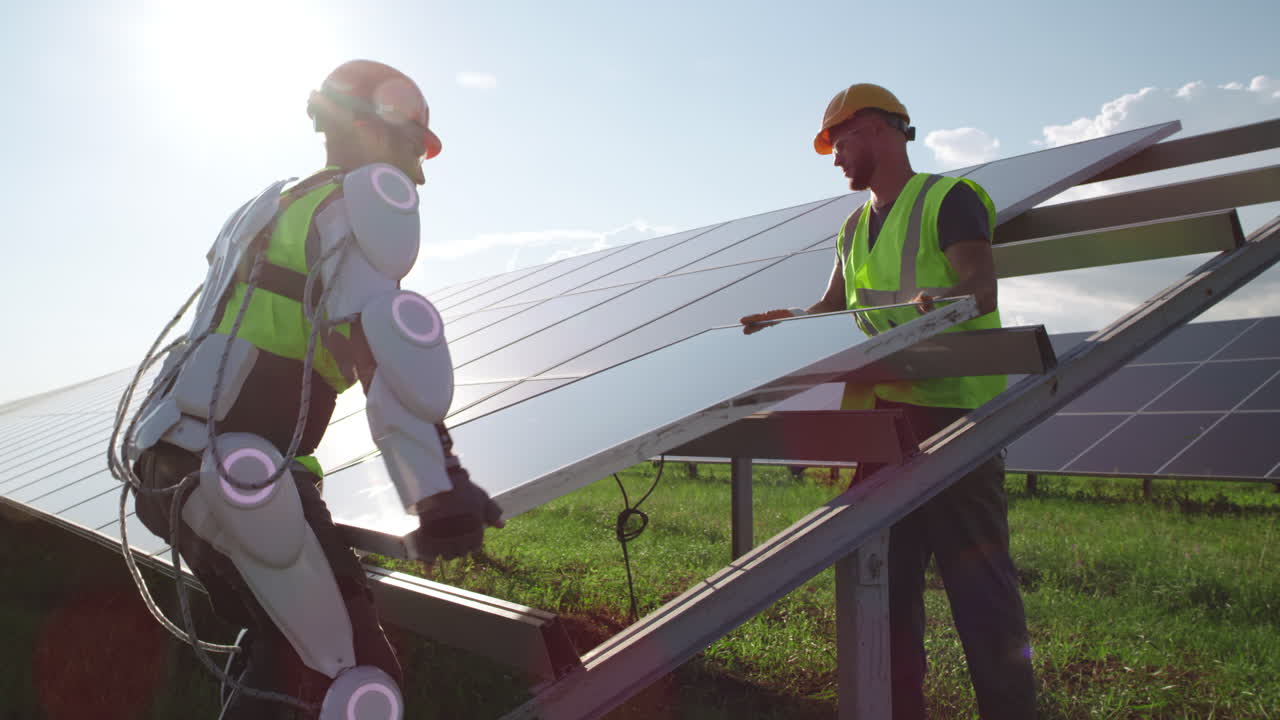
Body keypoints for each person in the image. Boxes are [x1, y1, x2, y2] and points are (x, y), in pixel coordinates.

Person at [127, 59, 503, 720]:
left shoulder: (270, 210)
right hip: (240, 474)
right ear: (366, 128)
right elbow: (381, 340)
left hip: (172, 462)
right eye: (411, 144)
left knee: (290, 651)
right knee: (351, 681)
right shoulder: (354, 204)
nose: (418, 170)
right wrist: (439, 485)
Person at [740, 84, 1036, 719]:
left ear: (875, 129)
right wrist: (787, 319)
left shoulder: (948, 200)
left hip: (956, 418)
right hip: (883, 425)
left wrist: (942, 298)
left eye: (839, 143)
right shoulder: (852, 229)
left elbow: (979, 289)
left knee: (977, 585)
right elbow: (831, 309)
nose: (836, 159)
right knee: (885, 585)